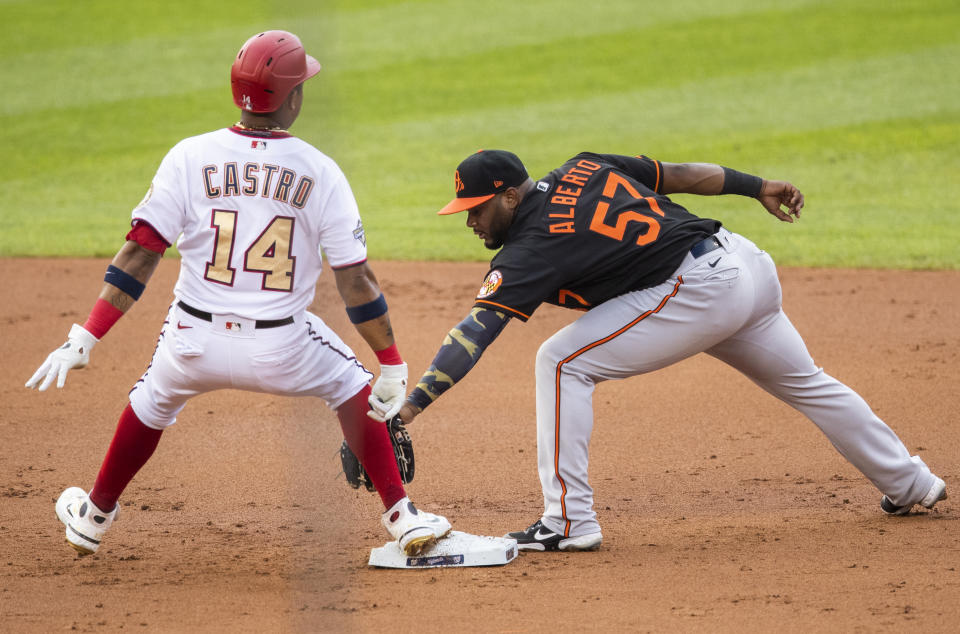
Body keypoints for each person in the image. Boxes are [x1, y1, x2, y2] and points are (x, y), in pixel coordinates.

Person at [25, 30, 450, 558]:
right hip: (283, 350)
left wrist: (84, 336)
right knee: (352, 385)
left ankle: (93, 516)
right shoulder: (320, 170)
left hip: (191, 342)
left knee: (151, 402)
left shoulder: (189, 156)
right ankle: (402, 518)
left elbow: (140, 253)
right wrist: (390, 362)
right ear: (292, 97)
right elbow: (355, 279)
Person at [395, 148, 946, 552]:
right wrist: (757, 186)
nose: (469, 220)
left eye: (477, 208)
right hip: (744, 262)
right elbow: (681, 176)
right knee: (808, 381)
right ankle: (910, 482)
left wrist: (409, 408)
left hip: (700, 289)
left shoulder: (530, 250)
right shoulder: (584, 166)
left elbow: (474, 333)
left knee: (560, 362)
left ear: (511, 196)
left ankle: (568, 522)